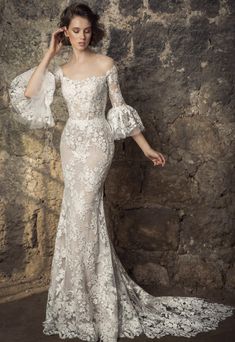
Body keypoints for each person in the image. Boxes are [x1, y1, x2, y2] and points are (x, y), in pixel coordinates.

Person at [9, 2, 234, 342]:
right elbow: (28, 94)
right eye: (75, 31)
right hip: (72, 144)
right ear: (65, 34)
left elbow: (120, 110)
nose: (82, 36)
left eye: (86, 30)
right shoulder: (62, 71)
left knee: (83, 213)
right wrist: (49, 54)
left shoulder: (106, 65)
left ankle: (94, 303)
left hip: (98, 143)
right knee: (77, 217)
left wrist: (146, 149)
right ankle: (80, 301)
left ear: (93, 31)